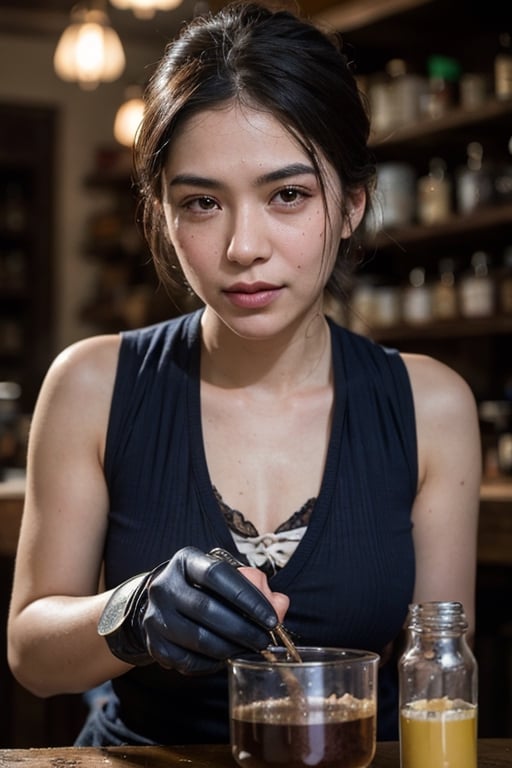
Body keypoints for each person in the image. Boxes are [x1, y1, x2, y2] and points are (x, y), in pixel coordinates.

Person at [7, 0, 481, 748]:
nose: (242, 246)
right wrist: (130, 615)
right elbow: (32, 657)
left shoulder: (430, 404)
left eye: (287, 194)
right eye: (202, 202)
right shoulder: (93, 385)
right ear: (163, 216)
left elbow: (438, 664)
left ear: (352, 202)